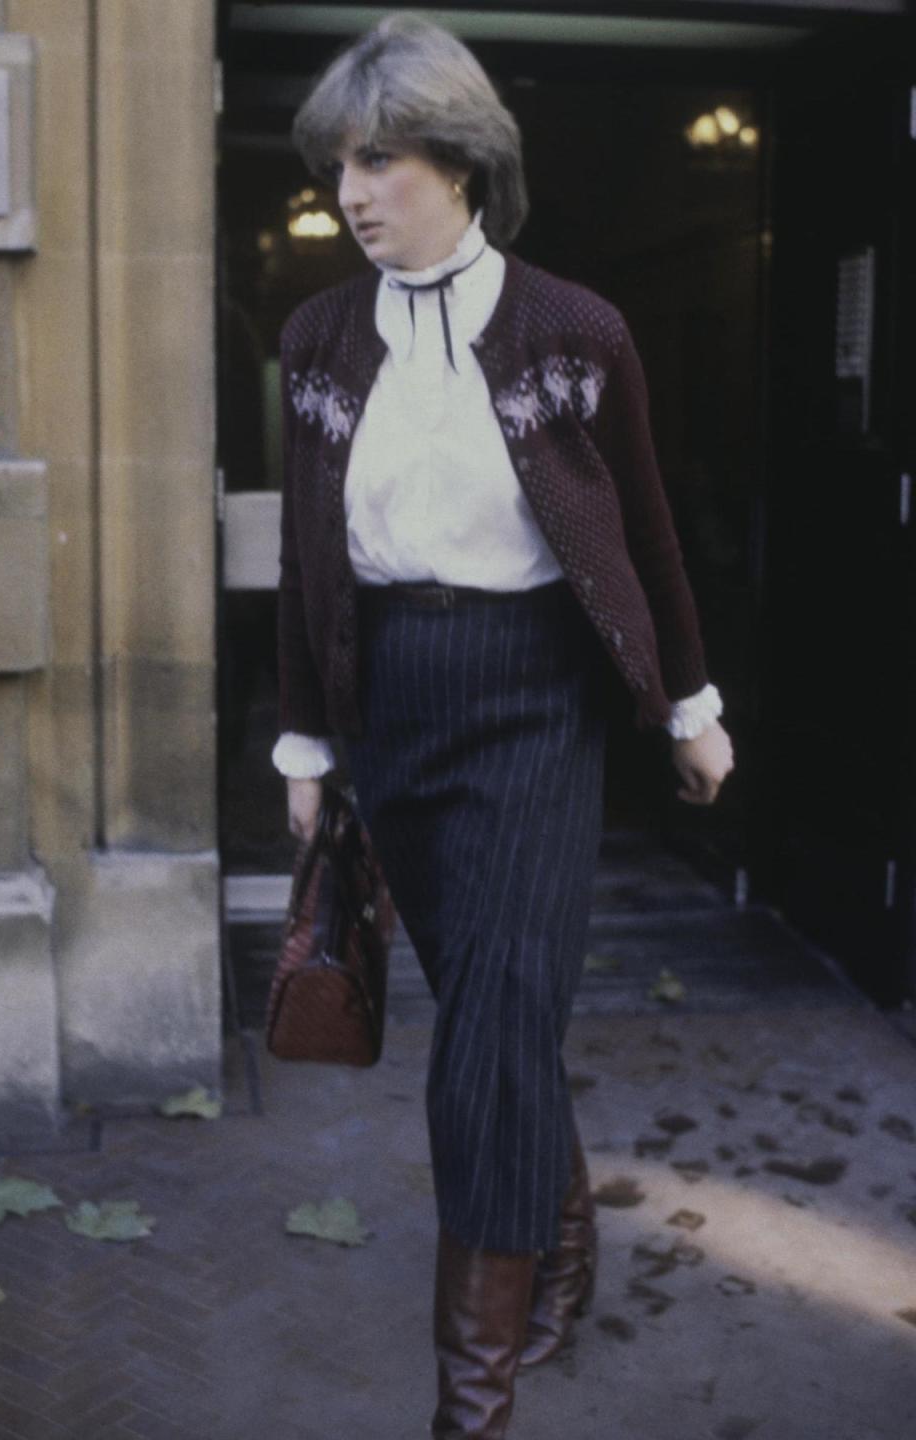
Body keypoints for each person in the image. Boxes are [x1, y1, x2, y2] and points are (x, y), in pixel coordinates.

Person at [272, 14, 735, 1437]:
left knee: (487, 1036)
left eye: (382, 158)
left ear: (463, 164)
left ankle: (469, 1408)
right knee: (494, 1013)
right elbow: (306, 558)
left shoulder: (573, 330)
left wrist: (692, 705)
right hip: (395, 706)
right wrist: (304, 747)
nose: (353, 189)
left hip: (535, 702)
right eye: (339, 163)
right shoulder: (316, 340)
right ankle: (568, 1239)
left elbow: (647, 532)